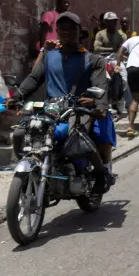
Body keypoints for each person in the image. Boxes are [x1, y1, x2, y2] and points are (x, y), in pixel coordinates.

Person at [13, 12, 117, 192]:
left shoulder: (93, 60)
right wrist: (16, 97)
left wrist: (97, 103)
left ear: (80, 31)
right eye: (62, 28)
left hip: (79, 110)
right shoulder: (49, 56)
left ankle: (100, 173)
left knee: (78, 136)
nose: (66, 32)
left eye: (71, 29)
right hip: (51, 109)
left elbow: (100, 86)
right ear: (57, 31)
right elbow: (34, 78)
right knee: (21, 133)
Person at [35, 0, 71, 66]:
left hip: (57, 51)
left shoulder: (66, 18)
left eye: (68, 3)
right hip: (48, 49)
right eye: (64, 3)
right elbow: (43, 32)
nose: (67, 5)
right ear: (58, 3)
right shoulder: (50, 15)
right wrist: (43, 51)